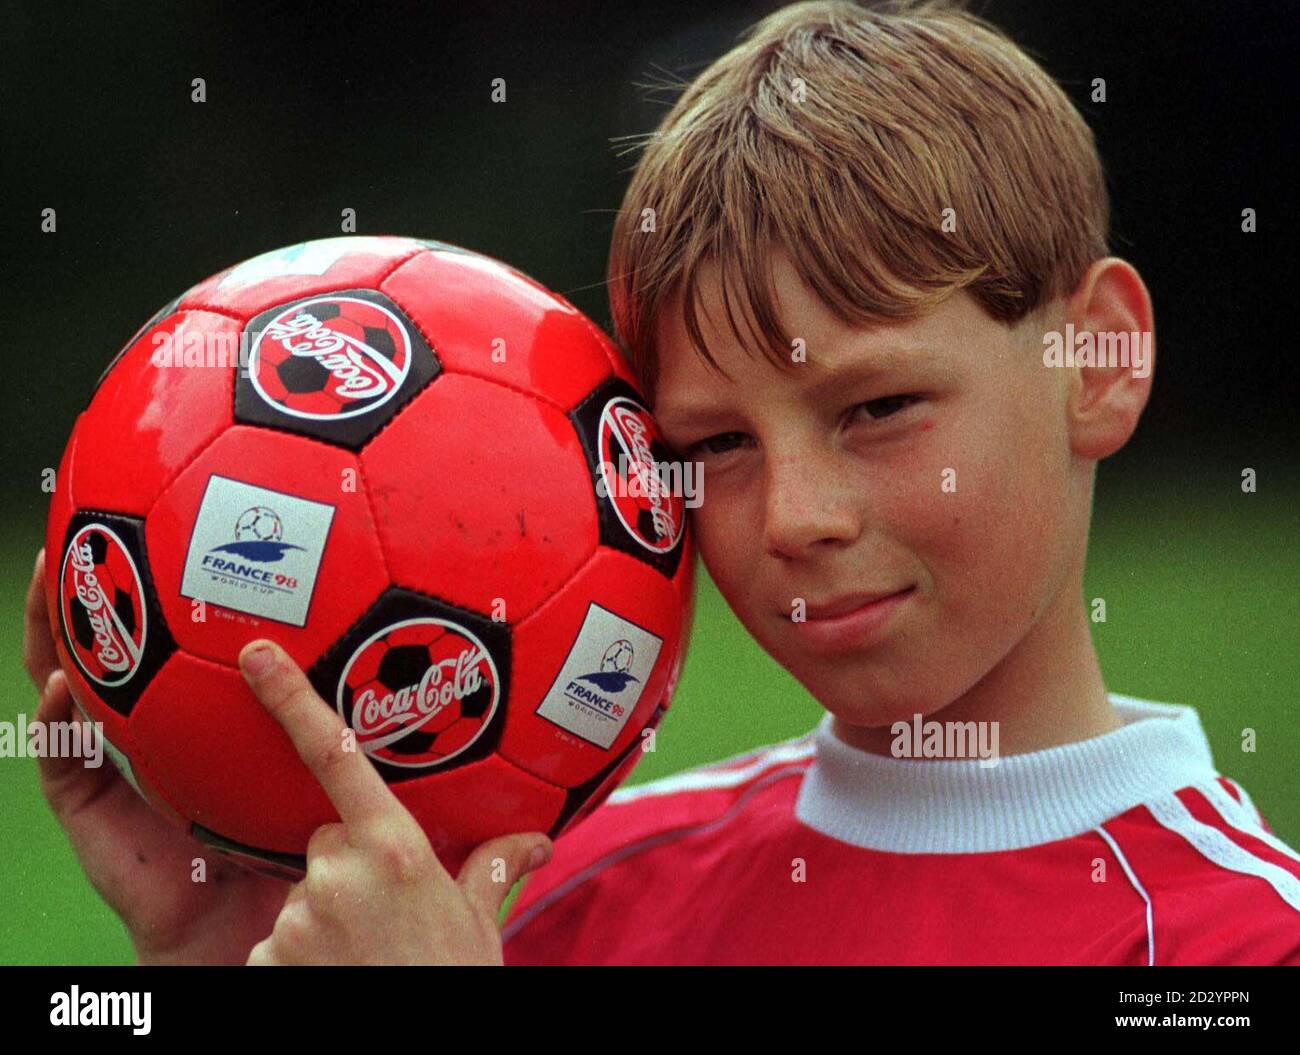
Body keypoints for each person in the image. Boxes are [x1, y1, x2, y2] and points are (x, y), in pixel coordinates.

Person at [22, 0, 1300, 965]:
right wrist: (220, 946)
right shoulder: (554, 898)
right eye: (713, 448)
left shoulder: (1226, 945)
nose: (794, 519)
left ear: (1100, 360)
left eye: (879, 408)